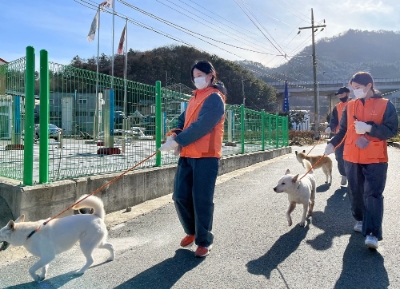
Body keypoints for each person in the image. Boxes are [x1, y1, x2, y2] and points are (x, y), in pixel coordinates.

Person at [159, 60, 226, 257]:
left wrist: (178, 140)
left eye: (200, 75)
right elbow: (184, 120)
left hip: (206, 156)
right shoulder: (194, 97)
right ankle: (192, 231)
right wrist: (174, 134)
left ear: (211, 75)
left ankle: (204, 241)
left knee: (201, 199)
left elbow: (202, 126)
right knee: (180, 196)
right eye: (194, 76)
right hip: (187, 154)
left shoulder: (215, 98)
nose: (197, 79)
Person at [324, 72, 398, 249]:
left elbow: (392, 130)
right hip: (351, 156)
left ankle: (372, 233)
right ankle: (360, 218)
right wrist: (332, 144)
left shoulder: (386, 105)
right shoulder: (349, 107)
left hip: (375, 158)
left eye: (357, 88)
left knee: (373, 194)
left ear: (369, 85)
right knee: (355, 192)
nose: (355, 91)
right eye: (353, 88)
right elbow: (342, 131)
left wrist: (369, 128)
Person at [325, 86, 351, 186]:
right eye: (339, 95)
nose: (340, 96)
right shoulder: (337, 107)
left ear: (348, 93)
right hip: (339, 136)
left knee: (350, 157)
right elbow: (334, 120)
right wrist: (330, 127)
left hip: (351, 135)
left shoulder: (354, 104)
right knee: (339, 156)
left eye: (342, 94)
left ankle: (351, 177)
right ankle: (344, 175)